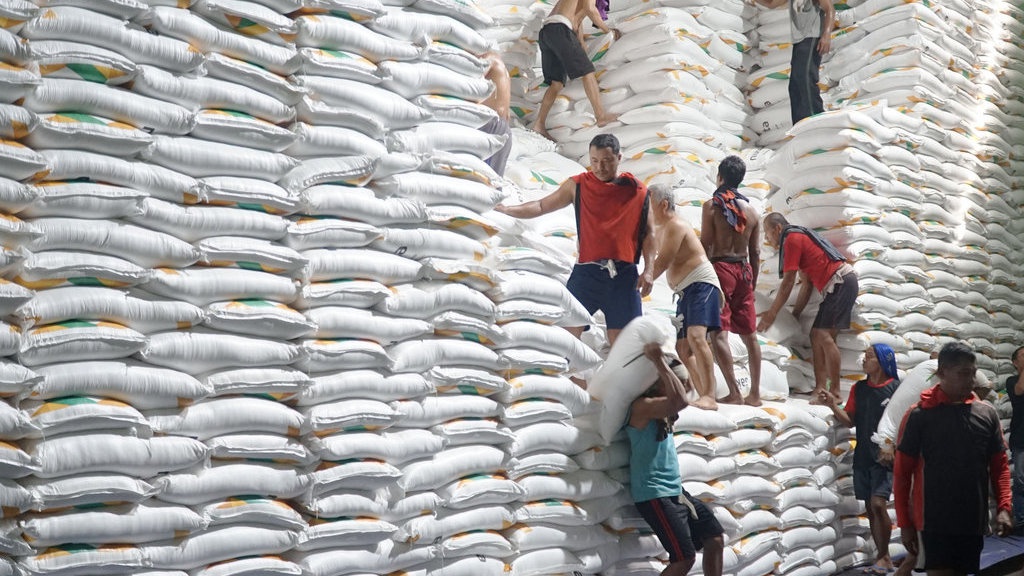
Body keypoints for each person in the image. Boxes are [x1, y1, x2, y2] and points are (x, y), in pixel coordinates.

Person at [495, 133, 654, 349]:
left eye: (607, 161)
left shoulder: (637, 191)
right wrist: (507, 210)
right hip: (587, 273)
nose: (599, 167)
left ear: (619, 158)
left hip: (624, 277)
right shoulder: (578, 185)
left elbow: (649, 234)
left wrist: (649, 270)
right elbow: (542, 206)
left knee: (625, 345)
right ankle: (571, 373)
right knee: (566, 336)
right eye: (594, 161)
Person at [894, 342, 1013, 576]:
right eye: (963, 373)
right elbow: (902, 474)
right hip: (934, 521)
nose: (971, 381)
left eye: (973, 373)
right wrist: (905, 523)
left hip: (971, 520)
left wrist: (1004, 507)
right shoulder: (919, 415)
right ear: (942, 373)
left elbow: (999, 466)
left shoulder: (986, 414)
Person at [630, 342, 725, 576]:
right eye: (677, 383)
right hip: (655, 494)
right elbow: (679, 400)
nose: (683, 388)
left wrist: (672, 362)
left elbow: (685, 394)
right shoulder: (642, 407)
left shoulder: (665, 411)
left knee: (714, 538)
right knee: (683, 558)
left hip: (676, 491)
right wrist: (659, 361)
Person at [648, 184, 735, 411]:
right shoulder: (659, 229)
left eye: (648, 204)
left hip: (701, 285)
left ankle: (709, 395)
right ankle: (702, 393)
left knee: (696, 337)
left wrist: (644, 282)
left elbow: (663, 261)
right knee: (683, 348)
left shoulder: (676, 225)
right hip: (685, 290)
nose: (645, 209)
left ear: (663, 204)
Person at [757, 212, 857, 404]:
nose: (767, 240)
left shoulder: (791, 239)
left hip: (840, 283)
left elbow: (788, 282)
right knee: (817, 336)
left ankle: (835, 392)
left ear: (778, 228)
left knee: (822, 335)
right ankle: (820, 389)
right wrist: (794, 315)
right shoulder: (799, 236)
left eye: (767, 233)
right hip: (839, 285)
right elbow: (806, 284)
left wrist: (772, 314)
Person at [821, 344, 900, 574]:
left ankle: (884, 555)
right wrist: (832, 405)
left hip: (885, 456)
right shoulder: (860, 388)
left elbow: (905, 422)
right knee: (870, 507)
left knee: (878, 504)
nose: (864, 360)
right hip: (864, 455)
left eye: (870, 356)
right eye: (864, 356)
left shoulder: (896, 389)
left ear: (883, 361)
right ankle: (882, 556)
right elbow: (850, 420)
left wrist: (892, 446)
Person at [701, 155, 763, 406]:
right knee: (750, 335)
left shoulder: (711, 206)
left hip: (721, 269)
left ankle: (735, 392)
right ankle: (755, 394)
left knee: (718, 334)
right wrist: (752, 284)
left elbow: (705, 245)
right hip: (744, 270)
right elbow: (755, 252)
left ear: (720, 177)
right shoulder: (753, 212)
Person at [534, 0, 620, 141]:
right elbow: (590, 9)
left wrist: (581, 43)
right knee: (587, 72)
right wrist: (608, 30)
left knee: (556, 83)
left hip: (546, 32)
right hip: (561, 29)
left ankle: (539, 124)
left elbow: (576, 23)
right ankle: (601, 116)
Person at [752, 0, 834, 125]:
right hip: (799, 41)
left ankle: (815, 118)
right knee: (794, 84)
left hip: (812, 37)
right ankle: (800, 124)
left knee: (805, 79)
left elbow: (829, 9)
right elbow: (772, 3)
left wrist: (826, 34)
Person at [479, 52, 513, 177]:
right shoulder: (502, 67)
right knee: (493, 178)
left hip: (491, 126)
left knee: (485, 178)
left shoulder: (490, 59)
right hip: (502, 128)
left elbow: (474, 79)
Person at [1006, 346, 1024, 530]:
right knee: (1021, 481)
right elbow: (1020, 390)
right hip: (1021, 438)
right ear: (1015, 362)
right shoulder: (1011, 381)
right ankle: (1021, 521)